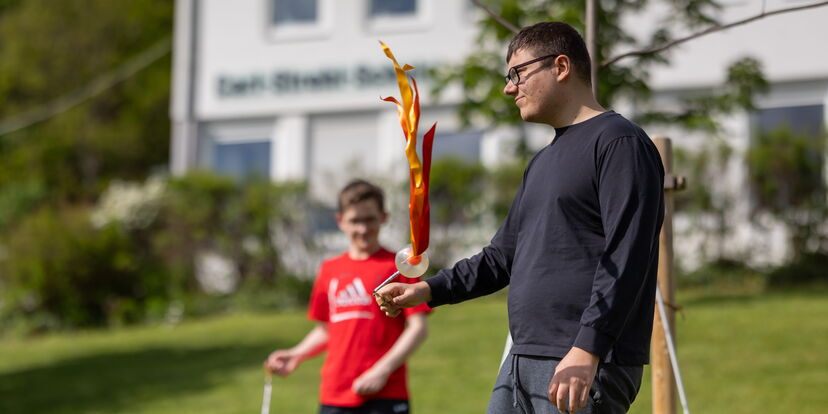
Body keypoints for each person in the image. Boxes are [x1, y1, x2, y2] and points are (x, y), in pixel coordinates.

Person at [375, 21, 664, 414]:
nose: (509, 88)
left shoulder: (619, 143)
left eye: (518, 73)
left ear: (561, 67)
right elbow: (501, 257)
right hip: (521, 359)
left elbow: (628, 256)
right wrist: (428, 290)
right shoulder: (543, 161)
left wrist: (588, 347)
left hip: (582, 361)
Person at [266, 179, 430, 414]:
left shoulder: (401, 268)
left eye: (369, 219)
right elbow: (327, 329)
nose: (363, 229)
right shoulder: (329, 270)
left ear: (384, 217)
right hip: (335, 394)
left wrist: (382, 370)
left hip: (385, 392)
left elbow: (418, 327)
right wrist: (296, 355)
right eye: (355, 221)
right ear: (340, 221)